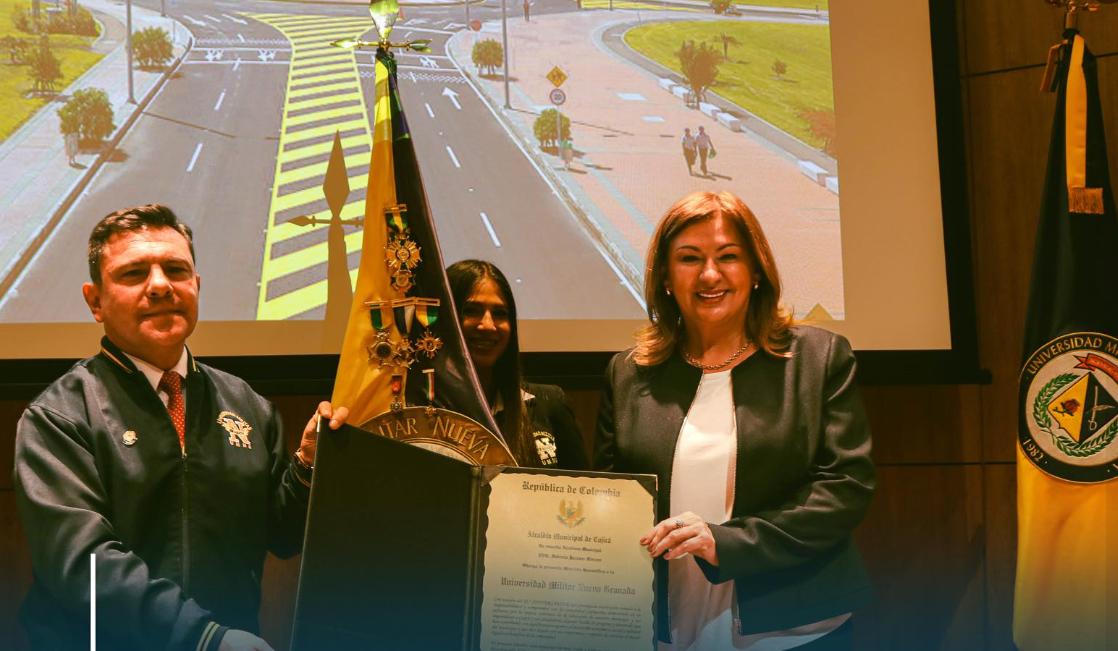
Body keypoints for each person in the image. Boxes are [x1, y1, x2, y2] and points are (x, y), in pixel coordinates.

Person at [13, 204, 349, 651]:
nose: (159, 285)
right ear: (95, 301)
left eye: (176, 269)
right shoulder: (59, 416)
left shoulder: (248, 405)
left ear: (196, 285)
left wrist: (307, 465)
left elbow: (282, 537)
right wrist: (201, 638)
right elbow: (83, 566)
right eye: (133, 273)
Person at [595, 191, 875, 650]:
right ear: (666, 277)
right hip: (666, 628)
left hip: (792, 630)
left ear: (757, 271)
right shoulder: (628, 373)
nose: (710, 274)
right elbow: (612, 497)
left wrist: (726, 543)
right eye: (689, 258)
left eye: (728, 256)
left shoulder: (818, 358)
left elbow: (845, 490)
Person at [448, 259, 588, 469]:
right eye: (471, 310)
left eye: (500, 313)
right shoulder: (424, 412)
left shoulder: (549, 404)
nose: (488, 325)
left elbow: (584, 493)